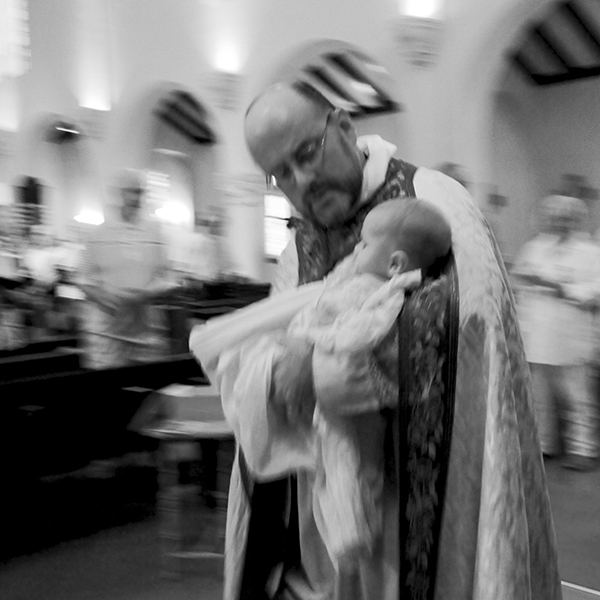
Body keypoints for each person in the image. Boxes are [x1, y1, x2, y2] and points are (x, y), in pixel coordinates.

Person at [216, 81, 561, 600]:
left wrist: (319, 367)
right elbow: (277, 344)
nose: (301, 180)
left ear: (345, 126)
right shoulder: (299, 245)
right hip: (326, 510)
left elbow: (468, 332)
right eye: (280, 173)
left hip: (423, 511)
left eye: (307, 153)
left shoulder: (435, 204)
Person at [191, 198, 451, 571]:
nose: (355, 249)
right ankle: (342, 532)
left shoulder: (383, 294)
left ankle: (350, 533)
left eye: (363, 244)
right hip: (311, 359)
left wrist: (311, 344)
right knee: (331, 463)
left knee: (347, 461)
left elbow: (360, 333)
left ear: (395, 263)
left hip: (339, 385)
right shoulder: (361, 275)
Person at [512, 194, 600, 471]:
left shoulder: (589, 251)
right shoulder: (534, 247)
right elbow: (517, 280)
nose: (557, 221)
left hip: (570, 334)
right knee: (539, 396)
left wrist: (563, 289)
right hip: (537, 334)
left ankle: (583, 449)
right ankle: (544, 446)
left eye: (564, 217)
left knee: (576, 397)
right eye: (552, 216)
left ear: (575, 220)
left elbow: (595, 290)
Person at [78, 168, 178, 369]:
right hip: (109, 329)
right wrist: (108, 299)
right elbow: (85, 281)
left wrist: (145, 294)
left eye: (140, 192)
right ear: (119, 194)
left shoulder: (155, 233)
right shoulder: (99, 234)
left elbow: (168, 277)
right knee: (111, 390)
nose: (136, 198)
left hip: (145, 326)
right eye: (131, 191)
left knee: (147, 387)